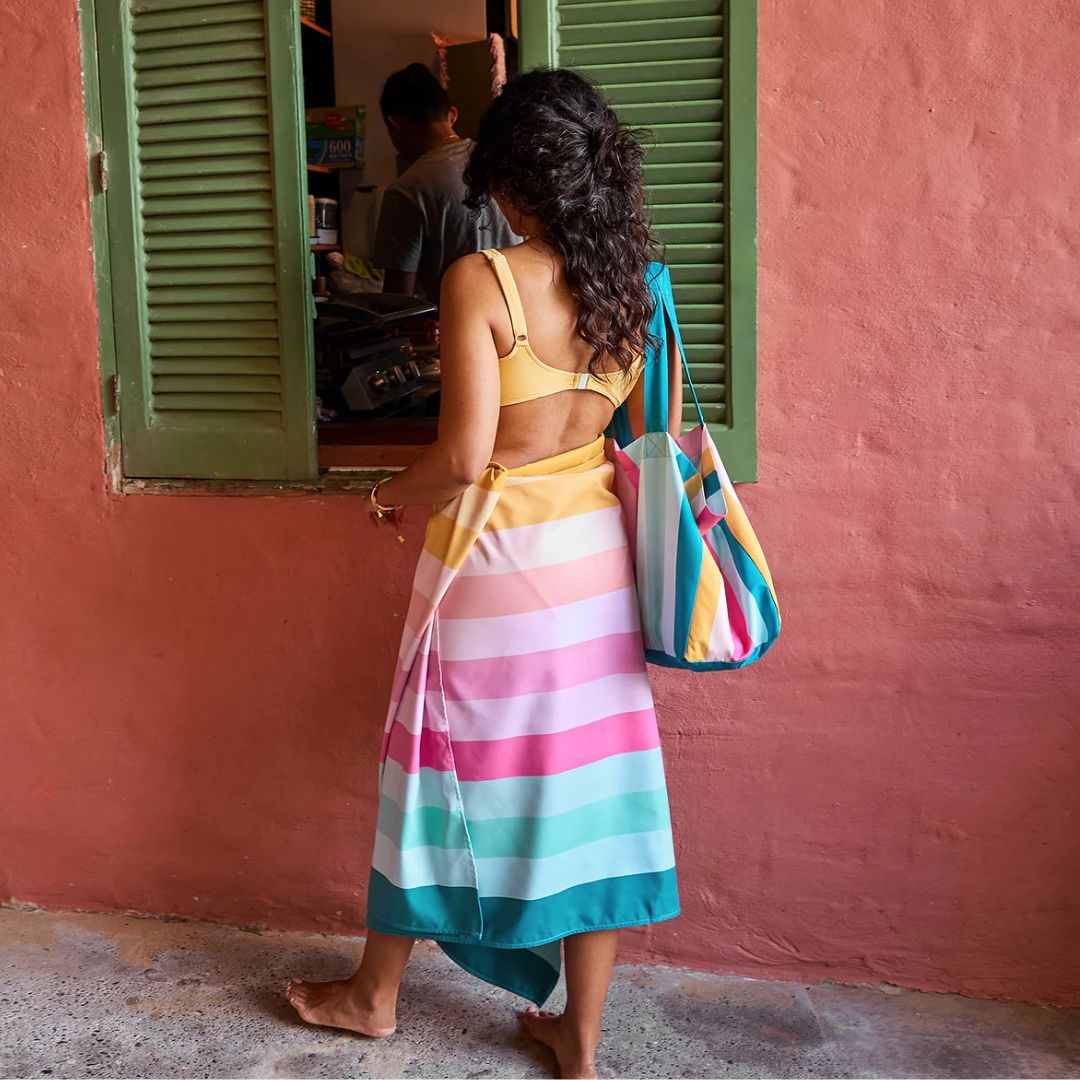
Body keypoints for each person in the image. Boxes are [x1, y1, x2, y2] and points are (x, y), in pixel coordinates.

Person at [285, 69, 685, 1080]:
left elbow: (464, 458)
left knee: (431, 772)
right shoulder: (642, 281)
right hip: (597, 570)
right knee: (595, 793)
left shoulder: (485, 280)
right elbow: (655, 441)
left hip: (494, 566)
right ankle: (579, 1040)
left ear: (508, 183)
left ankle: (374, 996)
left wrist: (386, 496)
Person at [373, 62, 519, 301]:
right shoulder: (502, 164)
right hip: (520, 317)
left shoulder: (407, 190)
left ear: (395, 124)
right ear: (452, 115)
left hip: (456, 322)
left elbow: (398, 301)